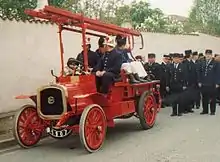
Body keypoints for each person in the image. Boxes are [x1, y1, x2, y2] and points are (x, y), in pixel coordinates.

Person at [198, 49, 220, 115]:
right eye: (207, 54)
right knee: (204, 97)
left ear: (211, 55)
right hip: (204, 83)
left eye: (209, 54)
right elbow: (200, 72)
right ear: (205, 55)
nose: (208, 55)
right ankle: (205, 110)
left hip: (212, 83)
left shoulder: (216, 63)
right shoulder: (202, 62)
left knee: (213, 98)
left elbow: (218, 73)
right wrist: (199, 81)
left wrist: (217, 83)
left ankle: (212, 111)